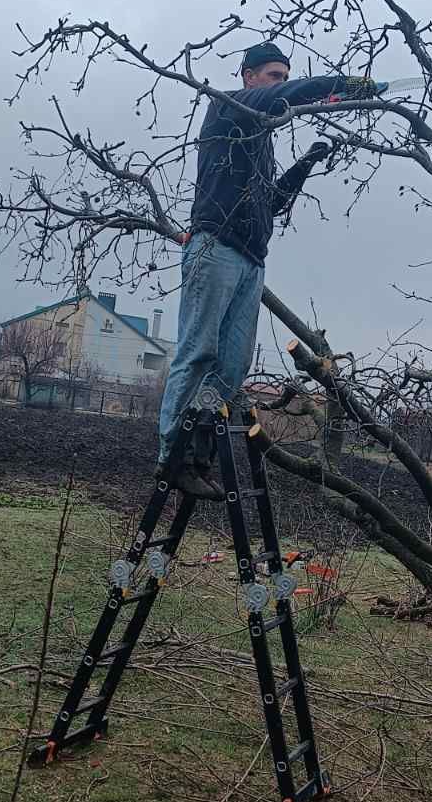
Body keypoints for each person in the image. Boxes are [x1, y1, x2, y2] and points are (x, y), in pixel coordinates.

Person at [156, 42, 380, 496]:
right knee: (199, 351)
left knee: (233, 365)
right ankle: (171, 455)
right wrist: (344, 85)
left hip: (251, 259)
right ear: (249, 76)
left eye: (283, 75)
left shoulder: (260, 140)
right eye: (273, 75)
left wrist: (305, 164)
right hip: (214, 246)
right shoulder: (228, 108)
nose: (279, 82)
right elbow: (289, 96)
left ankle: (197, 452)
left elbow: (269, 202)